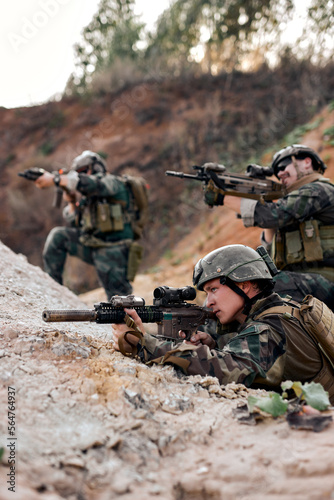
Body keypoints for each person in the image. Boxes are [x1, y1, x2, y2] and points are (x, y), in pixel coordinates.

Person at [112, 244, 334, 403]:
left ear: (244, 285)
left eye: (214, 289)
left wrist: (144, 343)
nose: (209, 301)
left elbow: (226, 369)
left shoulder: (271, 327)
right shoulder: (278, 307)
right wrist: (213, 341)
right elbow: (246, 340)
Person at [206, 144, 334, 310]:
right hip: (303, 280)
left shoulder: (320, 189)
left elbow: (275, 215)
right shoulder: (294, 208)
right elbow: (270, 245)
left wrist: (223, 197)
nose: (279, 174)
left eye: (283, 166)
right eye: (276, 171)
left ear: (307, 162)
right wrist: (263, 205)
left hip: (328, 279)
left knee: (266, 286)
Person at [35, 150, 142, 299]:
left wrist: (56, 179)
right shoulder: (89, 198)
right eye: (79, 172)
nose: (82, 175)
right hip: (93, 245)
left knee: (119, 303)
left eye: (84, 171)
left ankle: (127, 318)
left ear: (96, 168)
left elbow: (92, 183)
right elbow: (75, 221)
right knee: (58, 236)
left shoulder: (112, 182)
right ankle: (54, 294)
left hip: (114, 249)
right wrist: (72, 201)